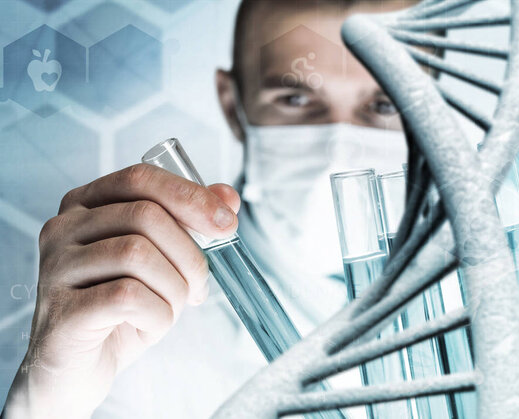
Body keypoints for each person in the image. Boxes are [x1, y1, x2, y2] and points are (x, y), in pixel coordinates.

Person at [2, 0, 415, 417]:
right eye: (294, 98)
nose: (337, 149)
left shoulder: (473, 292)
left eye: (384, 104)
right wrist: (44, 400)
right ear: (233, 104)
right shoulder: (132, 325)